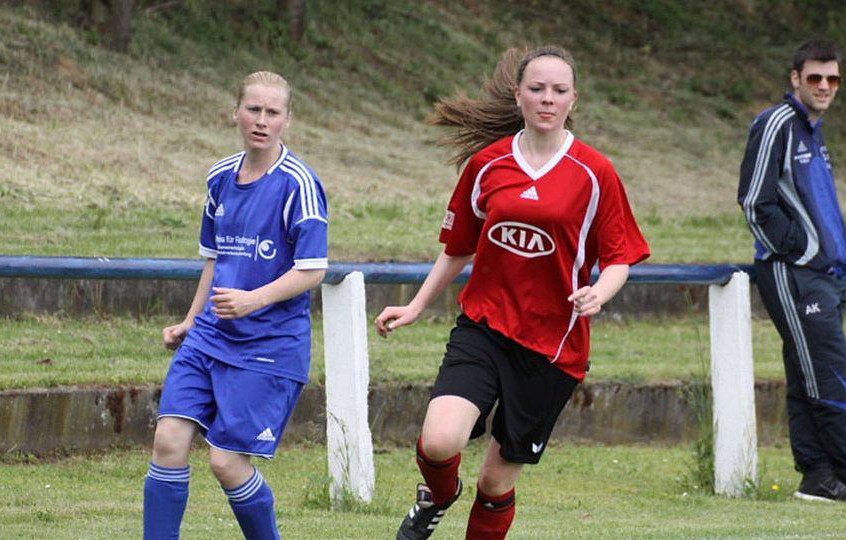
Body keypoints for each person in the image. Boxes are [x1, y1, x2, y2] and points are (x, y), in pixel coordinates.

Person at [375, 45, 650, 539]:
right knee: (439, 441)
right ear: (519, 95)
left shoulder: (594, 173)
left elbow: (620, 257)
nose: (548, 99)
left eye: (559, 91)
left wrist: (599, 293)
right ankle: (438, 495)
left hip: (553, 347)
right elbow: (457, 249)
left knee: (495, 482)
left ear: (573, 100)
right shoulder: (487, 164)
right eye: (537, 89)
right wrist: (415, 306)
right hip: (484, 327)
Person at [143, 70, 328, 539]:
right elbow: (215, 259)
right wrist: (190, 321)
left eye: (273, 112)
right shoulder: (220, 177)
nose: (261, 120)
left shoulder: (298, 184)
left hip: (268, 345)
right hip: (209, 336)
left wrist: (253, 301)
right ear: (235, 113)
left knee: (225, 463)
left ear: (287, 120)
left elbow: (313, 269)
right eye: (253, 109)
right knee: (168, 441)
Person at [737, 40, 846, 504]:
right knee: (831, 370)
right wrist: (799, 250)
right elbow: (755, 200)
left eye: (833, 79)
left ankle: (818, 477)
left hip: (825, 275)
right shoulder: (777, 123)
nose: (825, 86)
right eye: (815, 77)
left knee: (808, 373)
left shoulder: (813, 129)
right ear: (795, 79)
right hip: (794, 273)